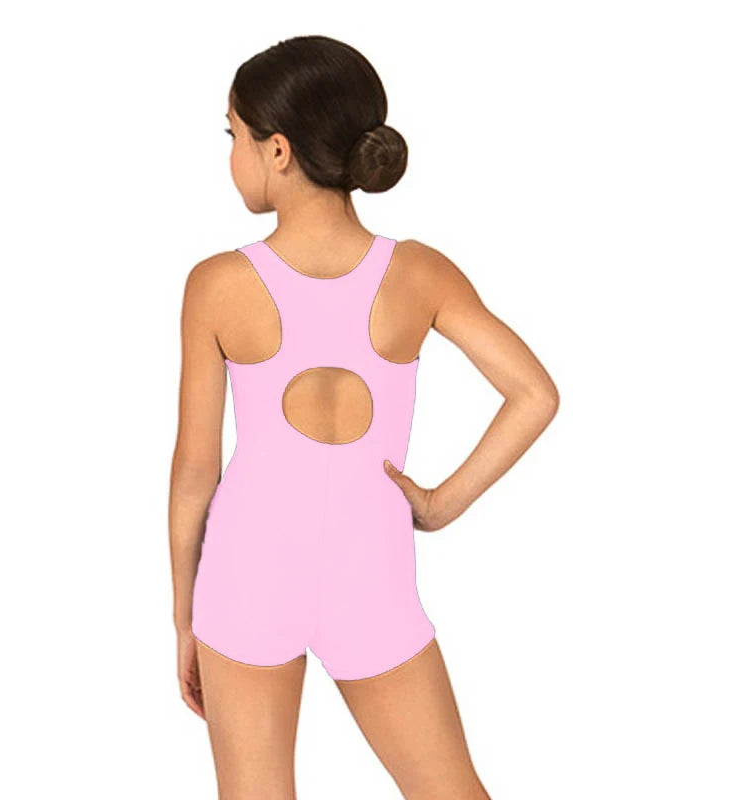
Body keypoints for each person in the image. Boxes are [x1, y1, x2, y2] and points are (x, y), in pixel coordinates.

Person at [168, 34, 559, 800]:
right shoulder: (418, 273)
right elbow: (534, 394)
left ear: (277, 150)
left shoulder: (216, 286)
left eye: (233, 135)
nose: (231, 155)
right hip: (369, 571)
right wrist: (438, 505)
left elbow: (194, 474)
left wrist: (184, 616)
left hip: (247, 574)